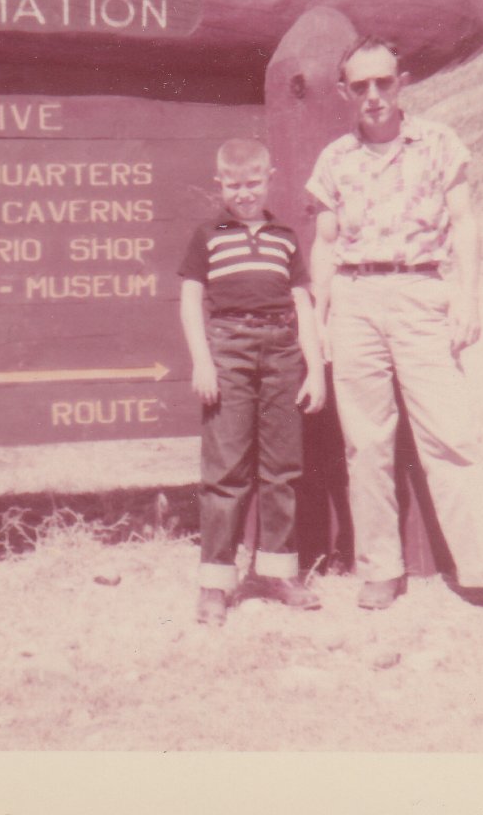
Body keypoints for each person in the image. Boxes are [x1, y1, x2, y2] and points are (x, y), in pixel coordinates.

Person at [306, 35, 483, 610]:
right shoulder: (334, 159)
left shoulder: (440, 143)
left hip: (421, 291)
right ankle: (380, 568)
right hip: (355, 296)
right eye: (360, 85)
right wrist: (319, 317)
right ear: (345, 91)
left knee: (452, 433)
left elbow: (464, 222)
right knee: (366, 441)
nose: (373, 96)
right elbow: (324, 242)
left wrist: (466, 297)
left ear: (402, 82)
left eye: (383, 82)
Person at [179, 138, 327, 627]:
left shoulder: (285, 237)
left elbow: (303, 304)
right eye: (234, 185)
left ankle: (276, 572)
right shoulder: (208, 236)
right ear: (220, 184)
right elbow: (190, 302)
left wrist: (314, 367)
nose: (244, 194)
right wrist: (203, 361)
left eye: (253, 184)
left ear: (270, 179)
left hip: (282, 351)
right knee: (226, 469)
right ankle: (216, 583)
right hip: (229, 349)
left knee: (281, 467)